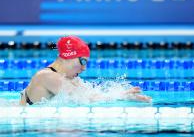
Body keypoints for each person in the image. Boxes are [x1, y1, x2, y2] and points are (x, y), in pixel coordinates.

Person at [20, 35, 151, 105]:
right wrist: (122, 96)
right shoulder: (47, 76)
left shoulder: (70, 79)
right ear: (67, 57)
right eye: (82, 61)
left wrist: (122, 93)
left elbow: (91, 96)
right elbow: (85, 100)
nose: (84, 68)